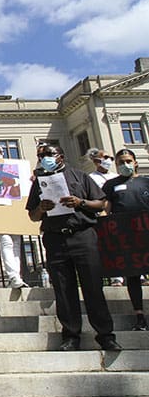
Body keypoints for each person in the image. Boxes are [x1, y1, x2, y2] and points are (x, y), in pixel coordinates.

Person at [25, 144, 121, 352]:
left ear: (60, 156)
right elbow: (32, 216)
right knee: (63, 289)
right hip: (55, 239)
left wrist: (80, 202)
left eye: (48, 154)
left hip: (83, 236)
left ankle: (105, 335)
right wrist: (41, 208)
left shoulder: (79, 176)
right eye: (40, 156)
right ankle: (70, 335)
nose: (44, 159)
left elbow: (101, 204)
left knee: (93, 287)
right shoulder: (40, 182)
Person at [102, 148, 149, 331]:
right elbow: (106, 209)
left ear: (135, 162)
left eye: (128, 161)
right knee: (133, 276)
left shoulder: (146, 181)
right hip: (127, 237)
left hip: (146, 233)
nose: (125, 165)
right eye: (121, 162)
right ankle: (139, 315)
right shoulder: (111, 185)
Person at [0, 144, 28, 289]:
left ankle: (17, 276)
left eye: (0, 152)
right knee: (6, 242)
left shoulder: (14, 169)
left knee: (16, 243)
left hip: (13, 211)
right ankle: (12, 275)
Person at [86, 147, 123, 286]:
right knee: (110, 245)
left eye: (111, 158)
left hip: (120, 214)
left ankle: (140, 274)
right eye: (106, 158)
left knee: (126, 243)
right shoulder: (91, 178)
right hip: (103, 216)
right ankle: (116, 278)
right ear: (96, 161)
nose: (109, 161)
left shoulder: (116, 176)